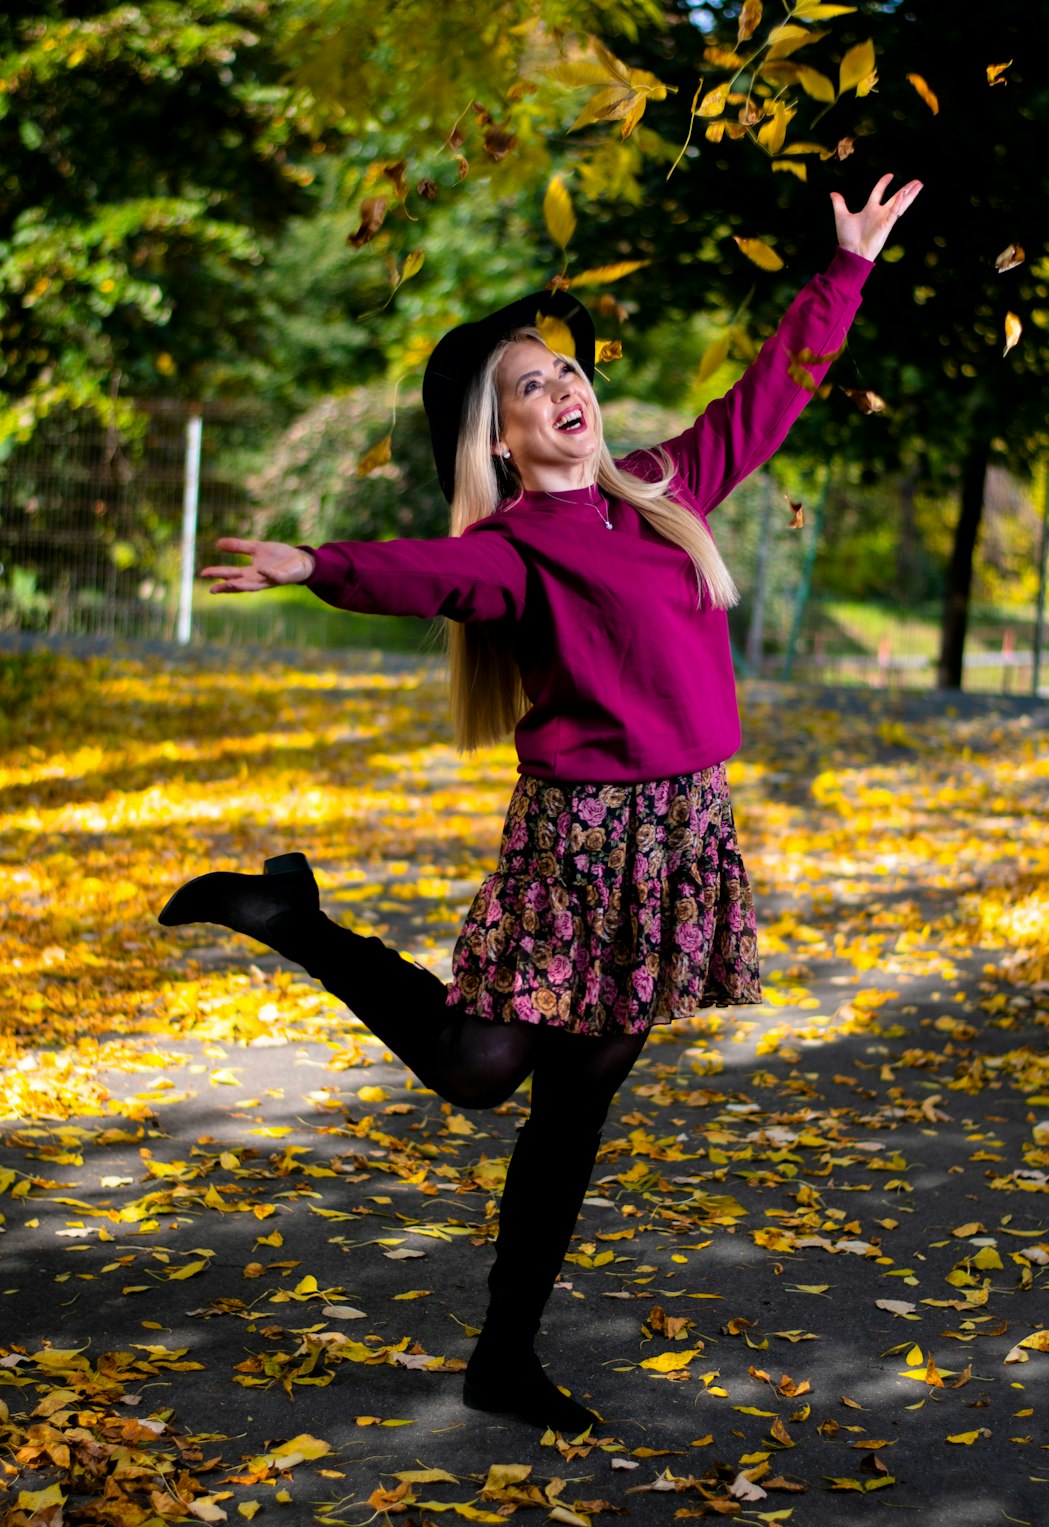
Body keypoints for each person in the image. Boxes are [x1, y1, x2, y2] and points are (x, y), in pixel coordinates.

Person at [159, 175, 922, 1432]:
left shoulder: (670, 486)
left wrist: (845, 274)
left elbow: (772, 393)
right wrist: (315, 566)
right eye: (529, 387)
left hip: (679, 837)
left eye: (564, 369)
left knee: (574, 1103)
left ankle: (502, 1361)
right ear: (502, 439)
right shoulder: (518, 544)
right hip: (578, 846)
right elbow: (427, 576)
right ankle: (294, 919)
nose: (563, 388)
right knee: (475, 1069)